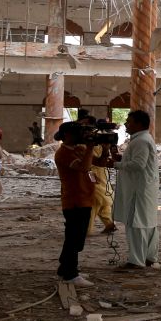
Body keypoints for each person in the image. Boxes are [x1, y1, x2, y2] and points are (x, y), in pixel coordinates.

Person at [111, 110, 159, 270]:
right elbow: (137, 161)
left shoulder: (140, 141)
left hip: (138, 190)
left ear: (138, 124)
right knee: (147, 223)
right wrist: (121, 159)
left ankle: (136, 261)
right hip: (144, 188)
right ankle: (149, 257)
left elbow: (138, 165)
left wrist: (115, 164)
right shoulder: (143, 139)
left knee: (136, 224)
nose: (125, 124)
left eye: (129, 121)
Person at [55, 121, 97, 286]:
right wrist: (90, 147)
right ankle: (71, 274)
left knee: (76, 238)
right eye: (78, 133)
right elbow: (84, 167)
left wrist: (107, 147)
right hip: (74, 200)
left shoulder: (79, 149)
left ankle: (64, 268)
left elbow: (98, 162)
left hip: (85, 197)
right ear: (67, 135)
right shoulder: (63, 153)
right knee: (74, 238)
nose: (82, 136)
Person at [86, 118, 117, 234]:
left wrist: (108, 150)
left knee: (95, 201)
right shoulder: (90, 143)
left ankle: (87, 230)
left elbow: (100, 162)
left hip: (97, 174)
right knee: (103, 199)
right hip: (96, 173)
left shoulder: (96, 142)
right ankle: (109, 224)